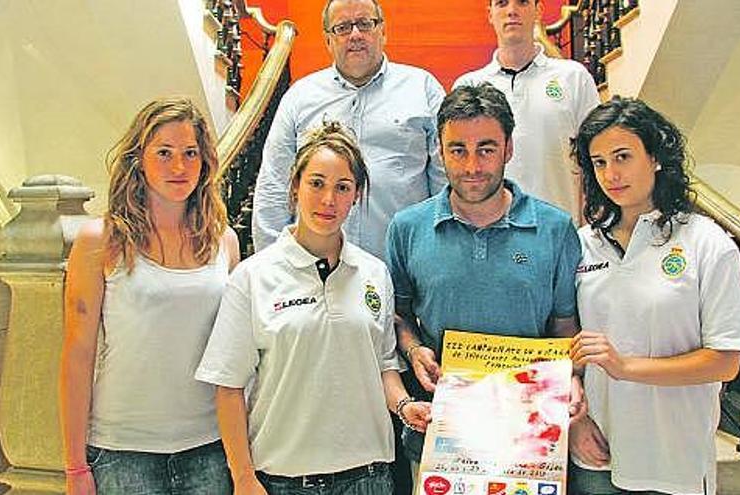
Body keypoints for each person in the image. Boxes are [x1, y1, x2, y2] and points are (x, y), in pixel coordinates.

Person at [196, 122, 431, 495]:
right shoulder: (253, 276)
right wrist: (242, 476)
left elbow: (383, 365)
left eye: (343, 187)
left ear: (356, 196)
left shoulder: (374, 273)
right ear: (295, 186)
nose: (328, 200)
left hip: (369, 479)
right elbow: (228, 387)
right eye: (316, 183)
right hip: (282, 481)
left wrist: (404, 406)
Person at [385, 83, 582, 473]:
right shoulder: (407, 227)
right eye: (458, 150)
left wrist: (571, 378)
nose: (472, 166)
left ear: (509, 148)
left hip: (530, 432)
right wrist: (412, 350)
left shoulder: (556, 228)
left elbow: (565, 326)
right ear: (440, 152)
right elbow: (398, 315)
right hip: (442, 431)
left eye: (486, 149)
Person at [567, 97, 740, 495]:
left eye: (622, 156)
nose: (611, 174)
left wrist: (625, 367)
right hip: (597, 453)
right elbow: (569, 345)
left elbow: (725, 361)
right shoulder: (582, 244)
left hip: (673, 460)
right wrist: (576, 422)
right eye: (598, 162)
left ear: (655, 157)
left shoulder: (706, 243)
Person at [59, 97, 240, 495]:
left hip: (209, 447)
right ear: (139, 159)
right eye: (164, 153)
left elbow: (233, 355)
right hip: (124, 452)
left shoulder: (224, 242)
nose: (179, 167)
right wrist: (75, 467)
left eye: (190, 153)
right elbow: (77, 354)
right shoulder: (99, 241)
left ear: (205, 160)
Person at [253, 0, 446, 258]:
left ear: (383, 31)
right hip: (315, 272)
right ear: (328, 41)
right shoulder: (300, 98)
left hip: (403, 267)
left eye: (365, 24)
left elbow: (446, 183)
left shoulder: (422, 89)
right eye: (342, 27)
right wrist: (273, 267)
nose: (355, 35)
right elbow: (275, 186)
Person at [453, 0, 600, 223]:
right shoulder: (469, 85)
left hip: (558, 230)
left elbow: (594, 159)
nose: (512, 11)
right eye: (502, 3)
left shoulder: (573, 78)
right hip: (488, 234)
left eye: (522, 2)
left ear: (538, 11)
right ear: (490, 14)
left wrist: (589, 228)